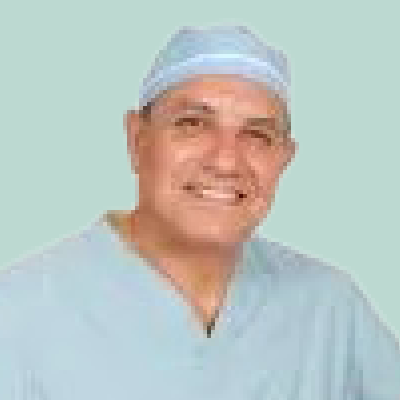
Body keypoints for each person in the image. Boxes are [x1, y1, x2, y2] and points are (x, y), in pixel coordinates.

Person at [1, 26, 399, 400]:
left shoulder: (329, 309)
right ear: (137, 139)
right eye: (193, 124)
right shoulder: (20, 312)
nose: (226, 161)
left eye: (257, 135)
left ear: (284, 158)